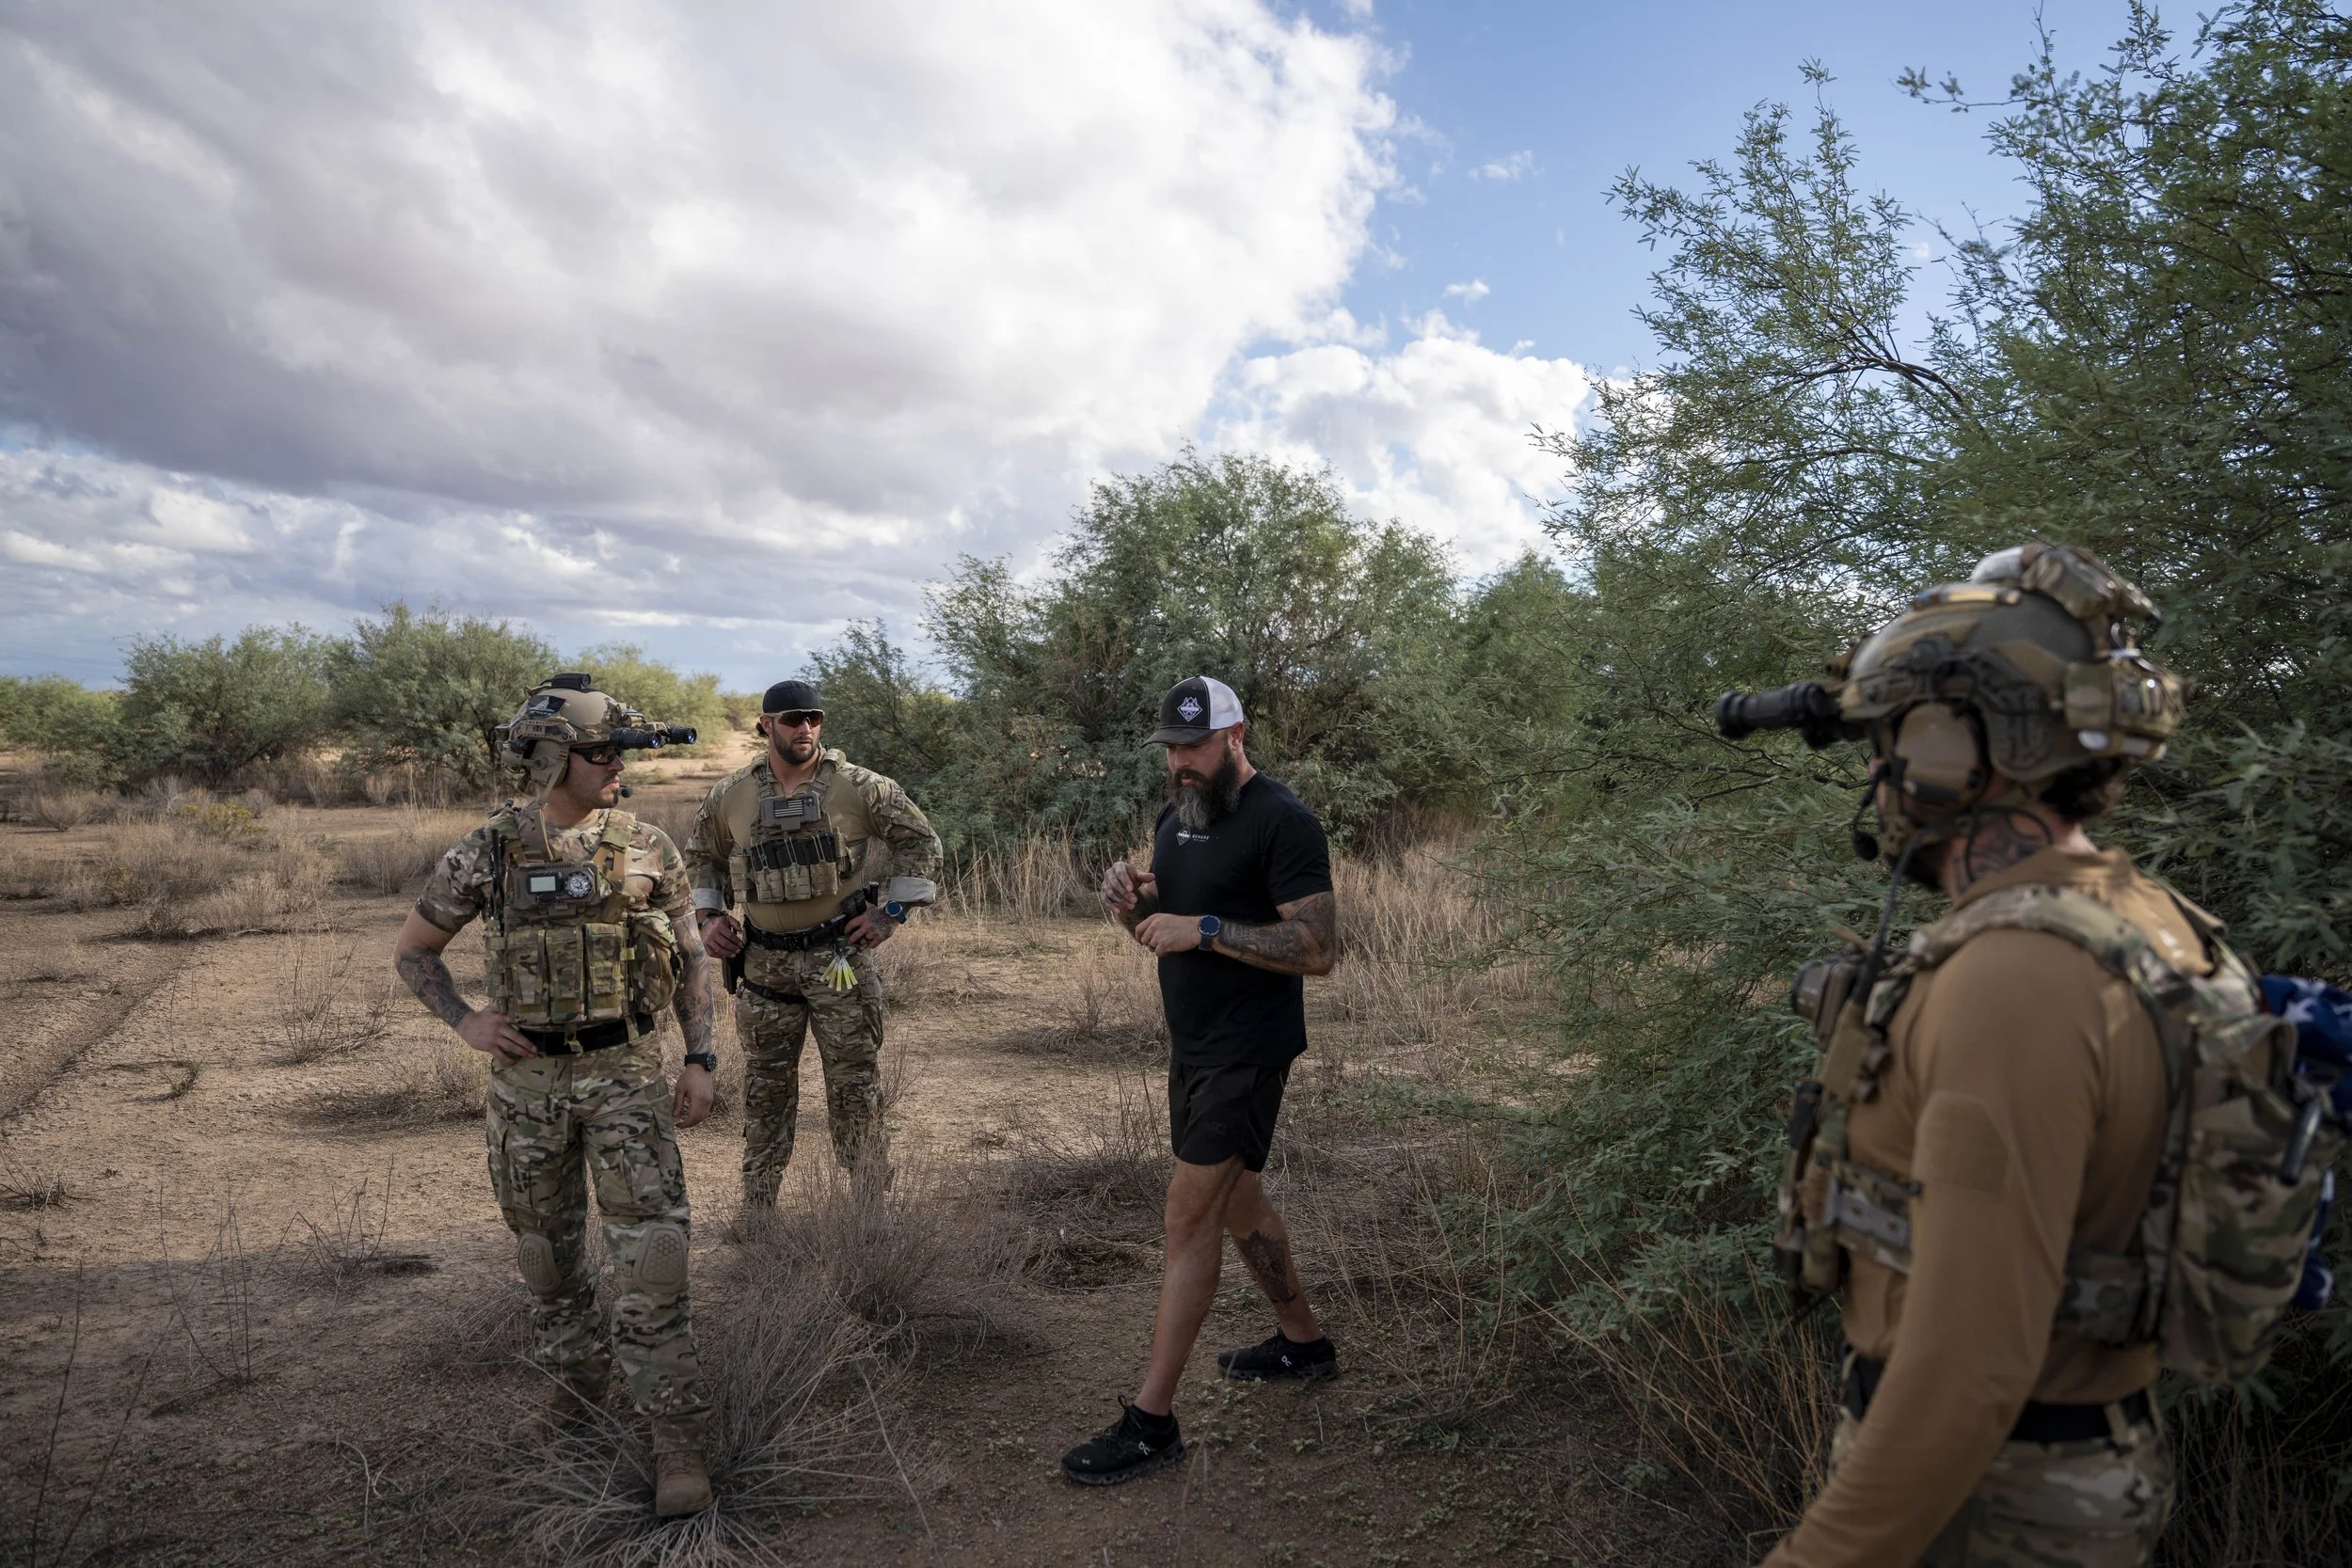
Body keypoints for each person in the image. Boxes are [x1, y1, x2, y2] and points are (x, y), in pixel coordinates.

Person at [1756, 545, 2214, 1566]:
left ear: (1947, 747)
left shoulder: (2015, 974)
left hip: (1993, 1496)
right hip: (2055, 1466)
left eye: (1885, 738)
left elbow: (1968, 1365)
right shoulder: (2144, 913)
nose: (1876, 773)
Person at [392, 673, 719, 1518]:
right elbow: (416, 952)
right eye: (600, 752)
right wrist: (465, 1021)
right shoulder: (489, 849)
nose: (618, 766)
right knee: (548, 1259)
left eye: (619, 752)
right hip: (527, 1090)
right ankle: (576, 1394)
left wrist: (701, 1058)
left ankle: (676, 1439)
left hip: (628, 1080)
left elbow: (692, 960)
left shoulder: (651, 847)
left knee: (654, 1259)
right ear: (550, 758)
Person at [1060, 675, 1341, 1487]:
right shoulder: (1176, 820)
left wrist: (1209, 927)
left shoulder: (1283, 820)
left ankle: (1152, 1422)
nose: (1181, 763)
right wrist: (1127, 901)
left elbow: (1317, 948)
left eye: (1196, 745)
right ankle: (1303, 1342)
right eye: (1172, 749)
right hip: (1193, 1042)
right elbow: (1162, 928)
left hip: (1248, 1051)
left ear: (1236, 735)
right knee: (1239, 1199)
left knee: (1189, 1218)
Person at [684, 679, 942, 1203]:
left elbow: (922, 843)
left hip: (838, 961)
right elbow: (700, 854)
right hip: (762, 966)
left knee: (854, 1088)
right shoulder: (730, 793)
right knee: (766, 1091)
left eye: (814, 718)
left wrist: (890, 913)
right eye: (792, 718)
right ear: (766, 724)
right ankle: (757, 1209)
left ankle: (869, 1208)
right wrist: (709, 916)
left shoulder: (862, 786)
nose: (805, 728)